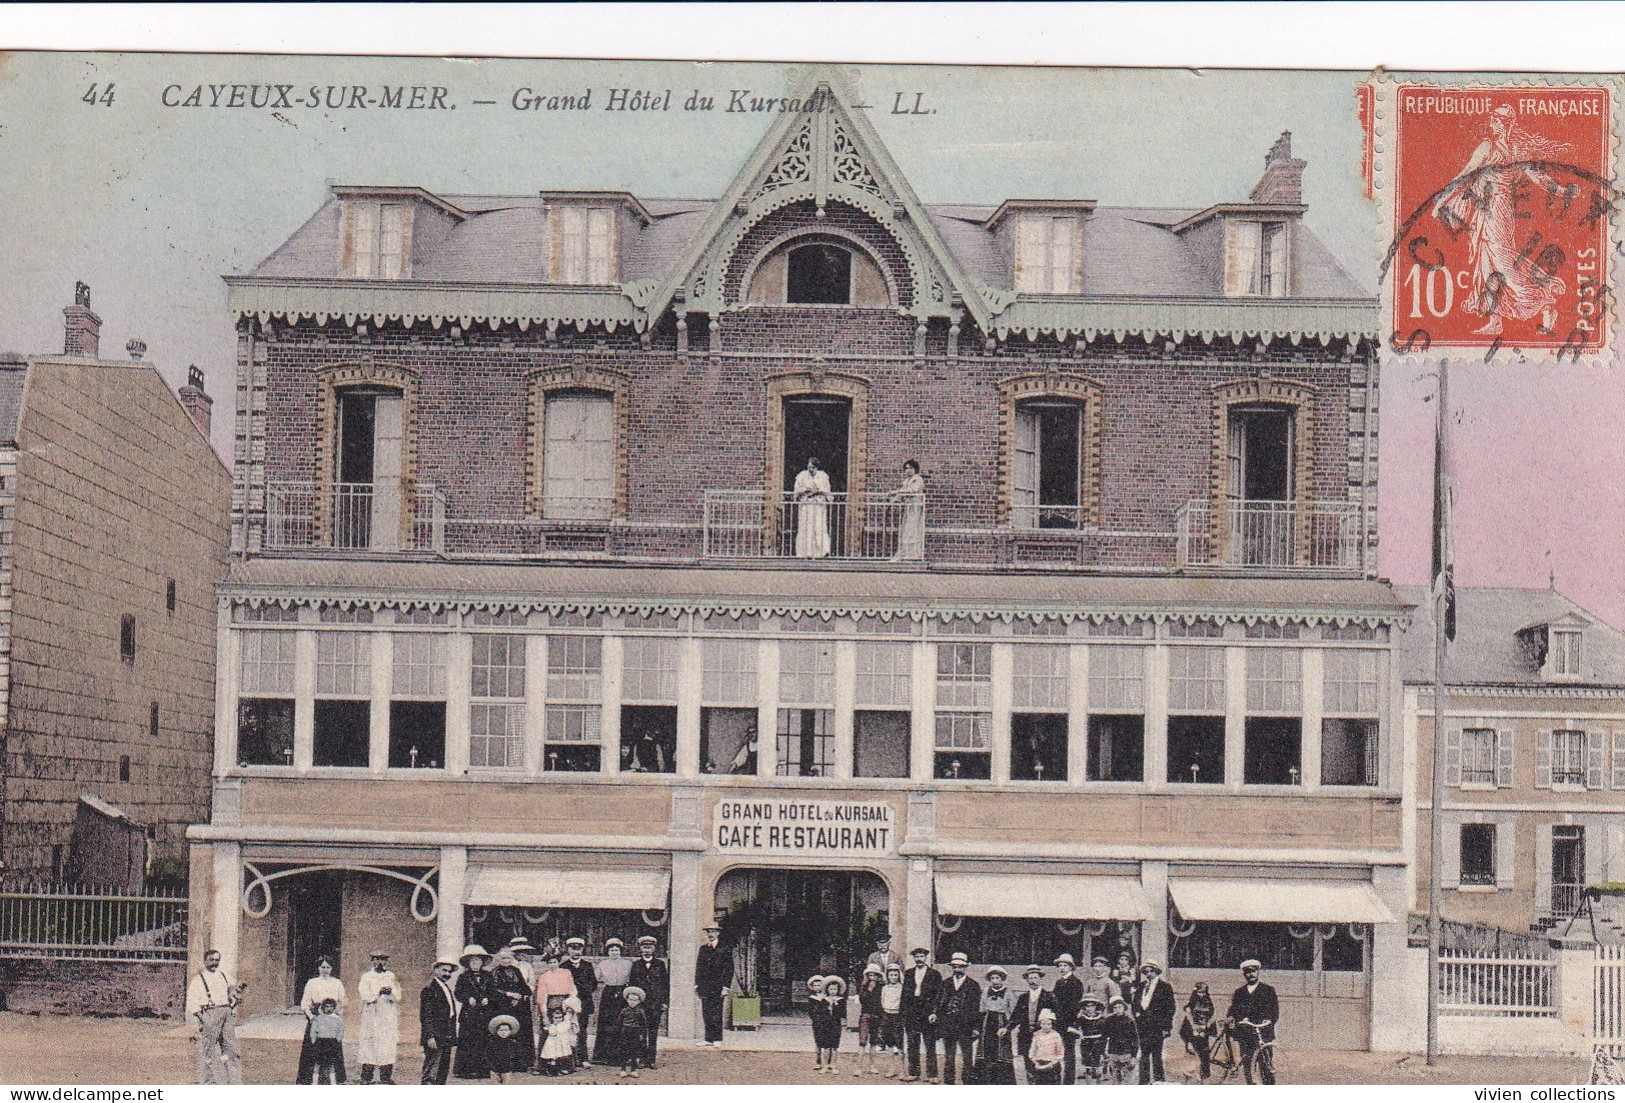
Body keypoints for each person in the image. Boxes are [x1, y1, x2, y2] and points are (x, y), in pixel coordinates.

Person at [1432, 105, 1572, 336]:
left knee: (1504, 263)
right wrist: (1442, 200)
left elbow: (1539, 178)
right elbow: (1465, 175)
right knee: (1486, 263)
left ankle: (1546, 301)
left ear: (1506, 123)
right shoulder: (1489, 147)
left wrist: (1562, 191)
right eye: (1492, 121)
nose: (1492, 125)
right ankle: (1495, 319)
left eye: (1496, 121)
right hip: (1485, 211)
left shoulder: (1512, 149)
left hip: (1500, 211)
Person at [186, 948, 245, 1085]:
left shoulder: (223, 975)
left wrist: (235, 997)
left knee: (231, 1049)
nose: (214, 963)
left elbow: (238, 986)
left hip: (226, 1013)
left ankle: (235, 1082)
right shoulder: (198, 980)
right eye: (211, 960)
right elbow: (192, 1004)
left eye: (217, 960)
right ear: (205, 961)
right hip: (209, 1013)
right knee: (208, 1051)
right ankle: (207, 1082)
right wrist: (203, 1019)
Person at [1227, 958, 1280, 1085]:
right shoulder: (1239, 992)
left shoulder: (1268, 990)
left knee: (1266, 1067)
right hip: (1246, 1035)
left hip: (1263, 1034)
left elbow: (1274, 1011)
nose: (1250, 975)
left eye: (1253, 971)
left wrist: (1268, 1020)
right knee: (1248, 1066)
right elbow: (1233, 1010)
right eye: (1247, 972)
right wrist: (1231, 1018)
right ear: (1244, 974)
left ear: (1258, 972)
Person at [296, 956, 346, 1084]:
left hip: (331, 1017)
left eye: (328, 967)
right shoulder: (312, 982)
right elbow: (305, 1002)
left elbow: (343, 1001)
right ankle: (307, 1080)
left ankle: (336, 1080)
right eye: (323, 967)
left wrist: (335, 1014)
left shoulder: (337, 983)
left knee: (333, 1047)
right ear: (318, 968)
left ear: (331, 968)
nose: (325, 970)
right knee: (311, 1048)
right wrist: (312, 1017)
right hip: (316, 1017)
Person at [934, 951, 981, 1085]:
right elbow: (939, 1002)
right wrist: (936, 1015)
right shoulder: (945, 983)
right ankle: (949, 1082)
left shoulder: (973, 985)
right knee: (949, 1056)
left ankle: (967, 1082)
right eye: (954, 967)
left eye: (960, 967)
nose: (957, 969)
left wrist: (976, 1027)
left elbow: (977, 1009)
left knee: (967, 1056)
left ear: (965, 967)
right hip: (948, 1025)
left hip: (966, 1026)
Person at [490, 944, 536, 1078]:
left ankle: (521, 1063)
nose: (506, 961)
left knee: (520, 1033)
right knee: (505, 1033)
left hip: (519, 1006)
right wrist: (509, 995)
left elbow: (525, 987)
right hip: (503, 1005)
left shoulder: (516, 970)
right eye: (503, 958)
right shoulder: (495, 972)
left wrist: (519, 995)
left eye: (508, 958)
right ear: (499, 959)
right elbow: (494, 990)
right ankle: (504, 1064)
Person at [453, 944, 497, 1080]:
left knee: (483, 1040)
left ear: (482, 962)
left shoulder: (489, 976)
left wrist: (488, 999)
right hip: (469, 1014)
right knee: (468, 1041)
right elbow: (458, 993)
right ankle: (466, 1070)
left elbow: (494, 992)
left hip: (484, 1013)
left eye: (478, 961)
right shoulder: (463, 977)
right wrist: (467, 998)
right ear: (468, 963)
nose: (475, 964)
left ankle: (483, 1070)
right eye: (472, 961)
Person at [357, 951, 401, 1085]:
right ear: (372, 961)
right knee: (369, 1043)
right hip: (371, 1015)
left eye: (383, 960)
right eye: (376, 959)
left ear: (386, 962)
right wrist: (378, 992)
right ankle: (366, 1077)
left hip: (387, 1015)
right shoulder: (367, 977)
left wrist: (390, 992)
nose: (379, 963)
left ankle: (385, 1076)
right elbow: (364, 994)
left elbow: (398, 995)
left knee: (386, 1044)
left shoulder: (391, 976)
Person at [899, 946, 942, 1082]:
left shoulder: (934, 974)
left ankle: (932, 1075)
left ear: (926, 957)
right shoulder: (909, 973)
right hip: (912, 1013)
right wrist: (903, 1013)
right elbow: (904, 995)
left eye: (921, 956)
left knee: (929, 1045)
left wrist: (934, 1012)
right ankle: (914, 1072)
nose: (919, 959)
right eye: (916, 956)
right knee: (912, 1044)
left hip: (927, 1013)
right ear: (914, 958)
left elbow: (938, 996)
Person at [629, 935, 670, 1069]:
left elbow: (665, 985)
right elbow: (632, 985)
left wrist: (664, 1002)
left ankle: (651, 1059)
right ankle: (641, 1058)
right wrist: (634, 1003)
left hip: (655, 1004)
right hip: (641, 1004)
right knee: (640, 1032)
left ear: (654, 949)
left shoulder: (660, 964)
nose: (647, 950)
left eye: (649, 947)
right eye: (644, 947)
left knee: (653, 1032)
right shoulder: (636, 965)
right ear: (640, 949)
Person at [1132, 959, 1176, 1083]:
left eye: (1151, 971)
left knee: (1157, 1055)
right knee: (1144, 1055)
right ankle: (1144, 1081)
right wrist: (1137, 1014)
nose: (1149, 973)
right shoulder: (1141, 986)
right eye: (1146, 972)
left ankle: (1159, 1081)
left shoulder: (1165, 987)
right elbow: (1135, 1003)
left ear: (1157, 972)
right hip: (1143, 1025)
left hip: (1157, 1026)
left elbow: (1170, 1008)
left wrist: (1166, 1028)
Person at [1011, 965, 1055, 1084]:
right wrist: (1007, 1028)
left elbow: (1055, 1017)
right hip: (1026, 1035)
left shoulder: (1049, 996)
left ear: (1040, 979)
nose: (1033, 981)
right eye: (1030, 978)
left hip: (1043, 1035)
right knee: (1028, 1061)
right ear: (1027, 980)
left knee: (1042, 1061)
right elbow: (1015, 1016)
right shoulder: (1023, 997)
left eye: (1035, 978)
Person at [974, 965, 1017, 1086]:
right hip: (987, 1022)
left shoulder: (1009, 992)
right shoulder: (986, 991)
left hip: (1001, 1022)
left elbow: (1014, 1012)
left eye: (997, 978)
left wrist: (1008, 1027)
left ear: (1002, 979)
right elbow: (981, 1009)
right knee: (985, 1050)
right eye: (992, 978)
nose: (995, 981)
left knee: (1001, 1052)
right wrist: (978, 1027)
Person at [419, 958, 459, 1085]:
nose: (447, 974)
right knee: (431, 1071)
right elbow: (426, 1016)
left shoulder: (445, 987)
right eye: (444, 970)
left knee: (442, 1071)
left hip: (446, 1035)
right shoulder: (430, 989)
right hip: (435, 1037)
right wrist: (430, 1037)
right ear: (435, 970)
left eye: (449, 972)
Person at [594, 937, 634, 1065]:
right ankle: (603, 1056)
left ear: (620, 951)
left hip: (623, 993)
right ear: (607, 951)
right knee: (607, 1023)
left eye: (616, 950)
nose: (614, 952)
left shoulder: (628, 963)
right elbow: (595, 978)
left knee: (621, 1022)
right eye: (611, 950)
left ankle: (621, 1056)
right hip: (609, 993)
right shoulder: (602, 964)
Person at [694, 923, 733, 1047]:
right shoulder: (703, 948)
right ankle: (708, 1038)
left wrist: (726, 987)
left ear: (718, 933)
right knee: (706, 1012)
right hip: (705, 986)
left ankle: (717, 1038)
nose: (710, 934)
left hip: (718, 986)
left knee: (717, 1011)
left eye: (712, 931)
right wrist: (697, 984)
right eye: (708, 932)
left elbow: (729, 969)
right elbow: (699, 968)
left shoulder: (725, 948)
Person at [562, 936, 599, 1065]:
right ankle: (569, 1059)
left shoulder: (587, 965)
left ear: (582, 950)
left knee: (582, 1031)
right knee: (568, 1029)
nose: (576, 952)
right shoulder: (563, 966)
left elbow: (594, 984)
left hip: (584, 1002)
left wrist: (582, 989)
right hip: (568, 1004)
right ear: (568, 950)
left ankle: (583, 1058)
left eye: (578, 949)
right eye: (573, 949)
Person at [1051, 953, 1083, 1084]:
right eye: (1060, 965)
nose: (1062, 968)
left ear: (1071, 967)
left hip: (1069, 1022)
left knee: (1069, 1053)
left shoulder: (1076, 983)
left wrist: (1072, 1022)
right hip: (1058, 1022)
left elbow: (1076, 1004)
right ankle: (1056, 1079)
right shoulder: (1058, 983)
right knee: (1056, 1050)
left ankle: (1068, 1082)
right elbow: (1054, 1002)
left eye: (1065, 965)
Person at [1179, 981, 1219, 1082]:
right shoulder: (1191, 1004)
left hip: (1204, 1030)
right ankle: (1189, 1073)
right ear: (1195, 993)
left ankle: (1204, 1075)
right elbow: (1188, 1017)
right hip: (1193, 1030)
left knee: (1204, 1052)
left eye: (1203, 992)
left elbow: (1212, 1016)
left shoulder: (1208, 1003)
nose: (1201, 994)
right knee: (1191, 1051)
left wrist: (1206, 1026)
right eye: (1199, 992)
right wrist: (1194, 1027)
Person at [793, 456, 832, 558]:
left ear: (817, 468)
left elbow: (827, 490)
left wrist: (818, 490)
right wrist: (805, 490)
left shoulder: (823, 476)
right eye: (809, 467)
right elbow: (797, 490)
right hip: (806, 505)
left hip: (818, 505)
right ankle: (806, 552)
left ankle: (822, 551)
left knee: (819, 527)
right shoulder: (802, 475)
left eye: (813, 468)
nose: (811, 469)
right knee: (806, 527)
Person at [1073, 992, 1109, 1084]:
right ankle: (1088, 1083)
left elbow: (1106, 1032)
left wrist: (1103, 1046)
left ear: (1096, 1006)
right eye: (1087, 1006)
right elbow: (1074, 1028)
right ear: (1084, 1007)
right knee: (1087, 1064)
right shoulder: (1082, 1018)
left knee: (1097, 1065)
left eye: (1092, 1006)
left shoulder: (1102, 1019)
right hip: (1086, 1043)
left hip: (1098, 1043)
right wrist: (1080, 1034)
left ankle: (1099, 1082)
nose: (1089, 1008)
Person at [893, 459, 925, 561]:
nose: (908, 471)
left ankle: (914, 555)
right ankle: (904, 554)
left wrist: (896, 492)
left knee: (913, 529)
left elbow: (912, 491)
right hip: (909, 508)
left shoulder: (917, 480)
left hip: (915, 508)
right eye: (906, 468)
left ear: (915, 469)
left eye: (911, 468)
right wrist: (895, 499)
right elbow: (902, 492)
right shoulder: (906, 481)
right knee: (906, 530)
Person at [309, 997, 347, 1084]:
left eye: (331, 1007)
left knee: (332, 1063)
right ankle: (320, 1081)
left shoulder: (337, 1019)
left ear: (334, 1008)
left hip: (332, 1043)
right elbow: (313, 1031)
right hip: (321, 1042)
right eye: (326, 1007)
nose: (329, 1009)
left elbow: (341, 1030)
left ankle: (333, 1081)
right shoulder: (318, 1018)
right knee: (321, 1063)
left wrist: (338, 1039)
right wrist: (314, 1041)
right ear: (323, 1008)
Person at [1102, 996, 1139, 1084]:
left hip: (1126, 1053)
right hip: (1113, 1053)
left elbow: (1134, 1039)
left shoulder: (1129, 1021)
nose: (1117, 1009)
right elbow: (1104, 1036)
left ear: (1124, 1008)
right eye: (1114, 1007)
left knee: (1127, 1079)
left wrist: (1134, 1056)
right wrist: (1104, 1052)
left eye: (1119, 1007)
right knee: (1115, 1078)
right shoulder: (1109, 1021)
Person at [616, 987, 652, 1078]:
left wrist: (641, 1035)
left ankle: (633, 1069)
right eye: (630, 999)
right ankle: (623, 1069)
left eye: (635, 1000)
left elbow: (643, 1024)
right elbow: (619, 1022)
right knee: (624, 1050)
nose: (632, 1002)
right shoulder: (624, 1011)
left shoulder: (640, 1011)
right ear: (627, 1000)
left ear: (639, 1001)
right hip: (625, 1031)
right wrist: (619, 1032)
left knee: (634, 1051)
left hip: (635, 1032)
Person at [857, 963, 885, 1075]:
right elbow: (862, 1000)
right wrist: (869, 989)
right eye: (870, 975)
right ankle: (858, 1067)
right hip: (865, 1016)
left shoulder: (882, 988)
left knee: (873, 1042)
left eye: (875, 975)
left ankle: (872, 1066)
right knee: (862, 1041)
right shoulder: (864, 987)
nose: (872, 977)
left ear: (878, 976)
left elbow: (882, 1002)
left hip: (877, 1016)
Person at [880, 963, 906, 1078]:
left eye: (896, 975)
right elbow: (882, 1001)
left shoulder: (902, 988)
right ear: (888, 976)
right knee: (889, 1043)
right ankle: (892, 1068)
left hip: (897, 1016)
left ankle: (901, 1070)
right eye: (891, 975)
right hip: (887, 1015)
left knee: (899, 1043)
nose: (893, 977)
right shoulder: (885, 988)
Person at [1028, 1009, 1065, 1084]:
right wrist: (1035, 1061)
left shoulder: (1056, 1035)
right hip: (1040, 1062)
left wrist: (1052, 1063)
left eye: (1048, 1024)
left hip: (1052, 1063)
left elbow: (1060, 1052)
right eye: (1044, 1024)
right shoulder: (1036, 1034)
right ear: (1040, 1024)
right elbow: (1033, 1049)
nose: (1046, 1026)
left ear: (1052, 1025)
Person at [539, 1005, 577, 1076]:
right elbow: (552, 1032)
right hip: (552, 1044)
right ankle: (552, 1070)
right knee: (553, 1057)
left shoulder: (563, 1025)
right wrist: (550, 1026)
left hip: (561, 1044)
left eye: (560, 1018)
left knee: (562, 1056)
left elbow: (568, 1020)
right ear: (552, 1019)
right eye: (556, 1018)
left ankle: (562, 1069)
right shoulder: (551, 1026)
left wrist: (569, 1012)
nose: (558, 1020)